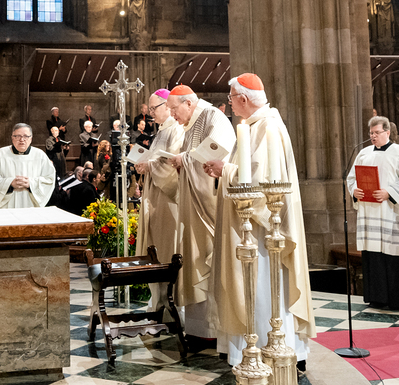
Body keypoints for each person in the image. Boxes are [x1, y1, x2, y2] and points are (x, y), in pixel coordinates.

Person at [206, 74, 314, 370]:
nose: (230, 103)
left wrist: (226, 170)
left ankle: (272, 348)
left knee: (264, 288)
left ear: (243, 98)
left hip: (262, 230)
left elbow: (259, 182)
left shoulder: (268, 126)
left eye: (231, 98)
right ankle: (248, 350)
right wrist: (225, 171)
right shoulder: (252, 126)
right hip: (249, 228)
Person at [166, 84, 236, 345]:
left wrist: (184, 159)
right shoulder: (191, 124)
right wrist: (183, 161)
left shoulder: (212, 117)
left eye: (174, 109)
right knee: (192, 260)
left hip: (209, 207)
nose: (172, 114)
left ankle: (212, 332)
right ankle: (197, 330)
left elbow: (218, 153)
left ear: (189, 103)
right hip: (192, 208)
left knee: (207, 261)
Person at [347, 116, 399, 310]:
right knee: (374, 256)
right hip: (370, 214)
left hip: (391, 213)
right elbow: (351, 178)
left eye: (377, 132)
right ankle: (377, 298)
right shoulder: (363, 153)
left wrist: (389, 193)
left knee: (394, 254)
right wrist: (354, 190)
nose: (373, 136)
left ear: (387, 132)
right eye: (371, 133)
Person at [134, 89, 182, 310]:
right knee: (155, 251)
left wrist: (149, 166)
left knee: (166, 250)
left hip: (167, 201)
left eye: (154, 108)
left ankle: (171, 306)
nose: (151, 113)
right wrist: (143, 165)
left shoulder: (176, 129)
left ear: (167, 106)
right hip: (154, 197)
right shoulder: (160, 132)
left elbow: (172, 165)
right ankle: (158, 303)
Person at [0, 124, 56, 208]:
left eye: (26, 136)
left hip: (30, 204)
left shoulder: (40, 155)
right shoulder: (0, 155)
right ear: (12, 138)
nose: (22, 140)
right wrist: (9, 184)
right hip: (7, 206)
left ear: (31, 139)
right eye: (17, 136)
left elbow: (49, 179)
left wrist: (31, 184)